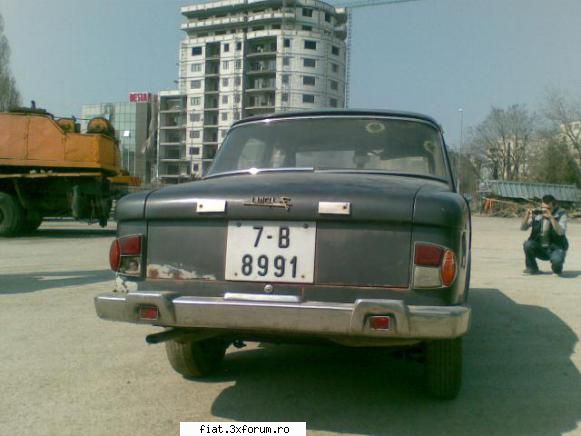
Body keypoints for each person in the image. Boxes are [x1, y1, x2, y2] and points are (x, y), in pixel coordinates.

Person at [521, 194, 569, 275]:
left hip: (556, 247)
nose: (545, 210)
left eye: (548, 208)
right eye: (543, 207)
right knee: (527, 244)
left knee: (557, 263)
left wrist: (551, 218)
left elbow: (561, 232)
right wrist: (527, 216)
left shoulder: (561, 214)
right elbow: (523, 228)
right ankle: (532, 268)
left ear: (554, 206)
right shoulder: (538, 212)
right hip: (541, 247)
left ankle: (557, 268)